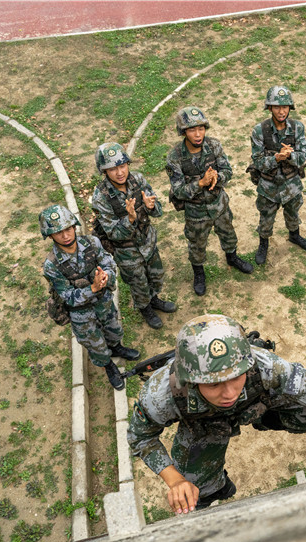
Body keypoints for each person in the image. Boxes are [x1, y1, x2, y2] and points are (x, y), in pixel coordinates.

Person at [127, 314, 306, 512]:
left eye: (236, 378)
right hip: (201, 424)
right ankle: (215, 489)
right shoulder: (161, 395)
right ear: (191, 380)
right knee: (196, 487)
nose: (229, 393)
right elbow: (140, 437)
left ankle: (267, 419)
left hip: (254, 404)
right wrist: (175, 480)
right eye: (214, 384)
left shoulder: (265, 366)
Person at [40, 205, 140, 390]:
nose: (66, 235)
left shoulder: (92, 243)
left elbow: (108, 263)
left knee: (113, 328)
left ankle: (117, 347)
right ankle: (108, 364)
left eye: (68, 228)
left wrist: (106, 276)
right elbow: (67, 296)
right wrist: (92, 288)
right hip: (81, 313)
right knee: (95, 344)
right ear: (50, 235)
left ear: (74, 226)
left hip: (103, 302)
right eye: (58, 232)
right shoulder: (51, 265)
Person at [166, 106, 254, 297]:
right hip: (196, 212)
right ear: (183, 132)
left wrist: (217, 178)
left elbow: (227, 171)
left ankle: (232, 258)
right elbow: (179, 191)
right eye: (192, 130)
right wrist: (200, 183)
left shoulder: (214, 146)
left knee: (228, 233)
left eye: (201, 128)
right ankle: (199, 274)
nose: (198, 134)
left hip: (219, 204)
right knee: (197, 245)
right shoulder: (175, 157)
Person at [91, 142, 176, 329]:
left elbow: (158, 210)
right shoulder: (101, 197)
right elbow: (112, 232)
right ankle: (145, 308)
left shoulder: (138, 180)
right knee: (138, 283)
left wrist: (151, 206)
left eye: (122, 166)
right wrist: (129, 219)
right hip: (127, 251)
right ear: (104, 171)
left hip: (147, 241)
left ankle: (154, 299)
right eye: (112, 169)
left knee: (156, 275)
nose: (119, 172)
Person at [249, 86, 306, 265]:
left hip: (291, 182)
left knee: (293, 211)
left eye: (285, 106)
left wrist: (290, 155)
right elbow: (258, 162)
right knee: (266, 216)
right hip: (268, 185)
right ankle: (263, 244)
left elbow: (302, 157)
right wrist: (277, 158)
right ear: (269, 108)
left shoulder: (297, 127)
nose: (281, 111)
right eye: (277, 107)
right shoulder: (259, 131)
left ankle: (295, 235)